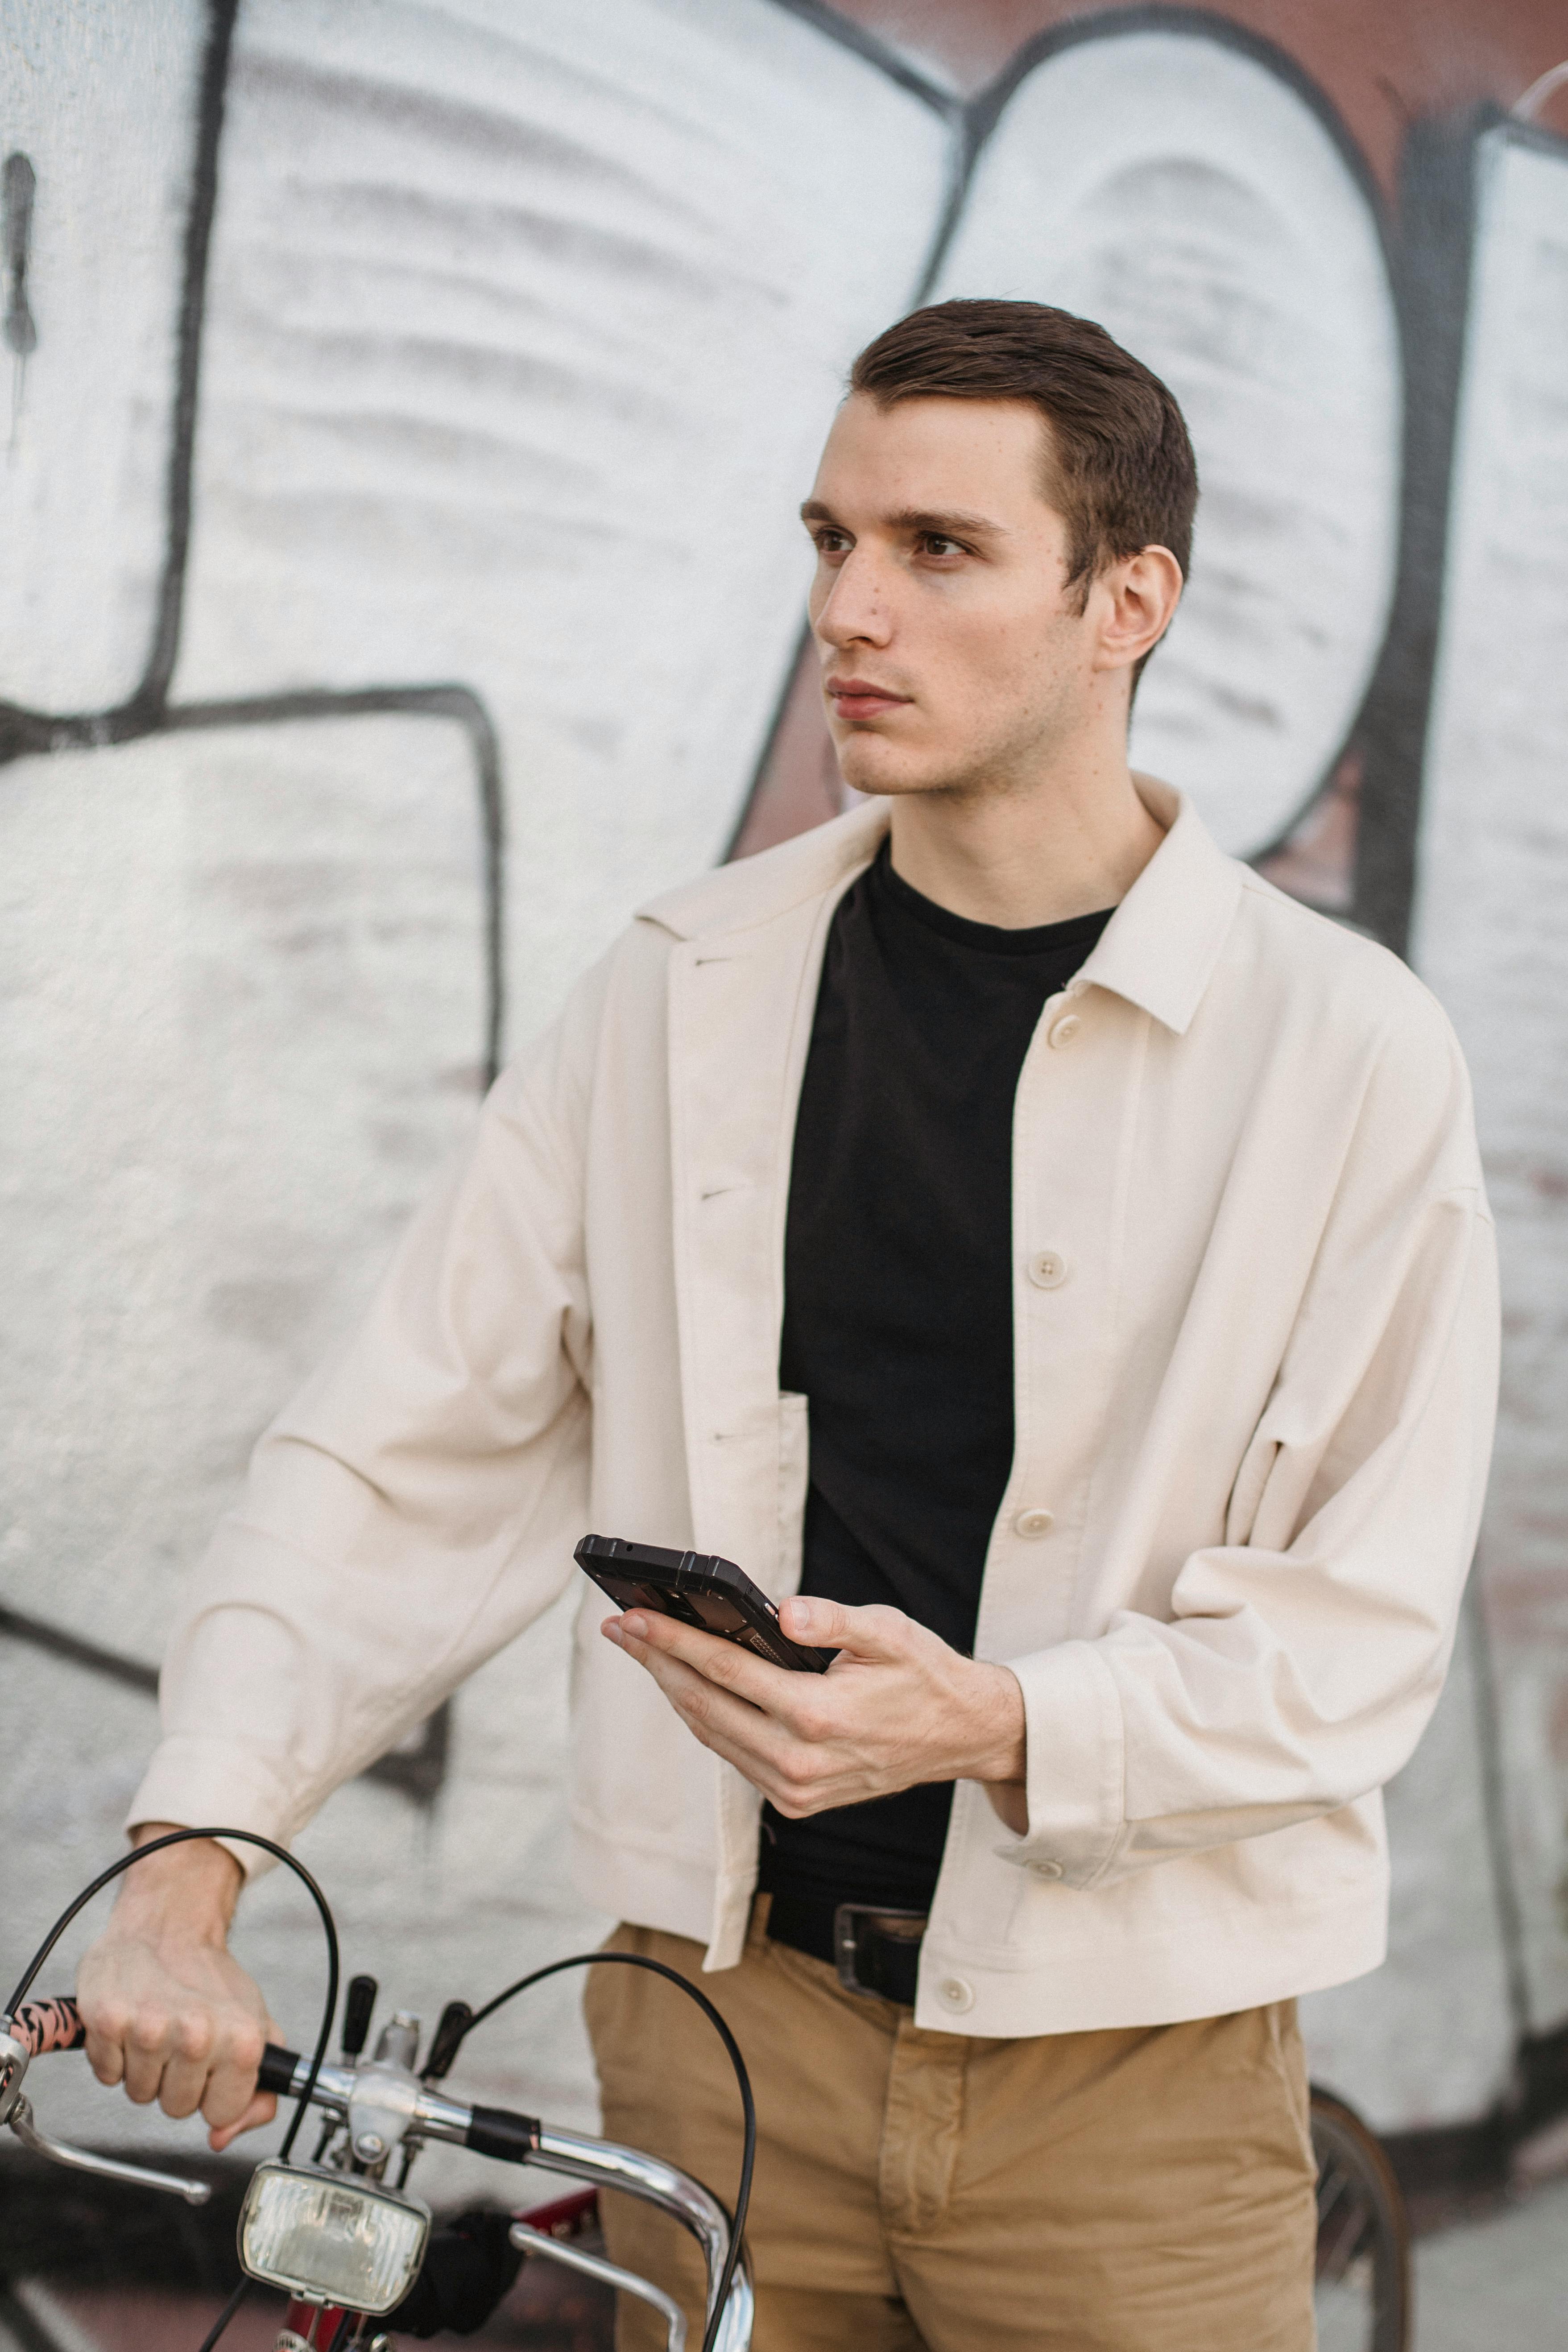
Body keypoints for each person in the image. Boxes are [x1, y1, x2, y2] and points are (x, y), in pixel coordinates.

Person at [78, 300, 1498, 2351]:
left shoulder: (1345, 1051)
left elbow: (1357, 1638)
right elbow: (398, 1462)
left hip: (1135, 2070)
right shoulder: (681, 984)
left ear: (1128, 600)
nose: (855, 606)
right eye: (832, 540)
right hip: (721, 2034)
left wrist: (1000, 1720)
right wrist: (187, 1866)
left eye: (940, 548)